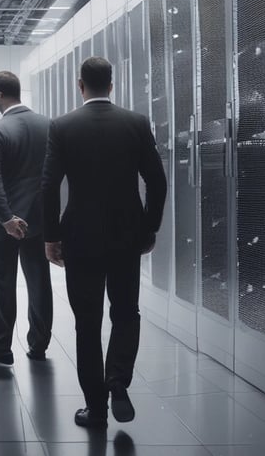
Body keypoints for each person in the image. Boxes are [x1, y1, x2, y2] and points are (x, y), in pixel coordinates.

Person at [42, 57, 167, 428]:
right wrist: (148, 229)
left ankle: (95, 408)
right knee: (126, 312)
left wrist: (51, 236)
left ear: (80, 85)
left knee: (87, 322)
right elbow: (157, 182)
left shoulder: (62, 126)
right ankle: (118, 380)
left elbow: (49, 186)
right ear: (111, 85)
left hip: (79, 237)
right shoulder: (135, 123)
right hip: (126, 237)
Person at [0, 71, 52, 365]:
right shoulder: (48, 125)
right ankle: (39, 344)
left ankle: (2, 346)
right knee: (39, 281)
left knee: (2, 284)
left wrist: (7, 218)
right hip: (37, 219)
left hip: (2, 223)